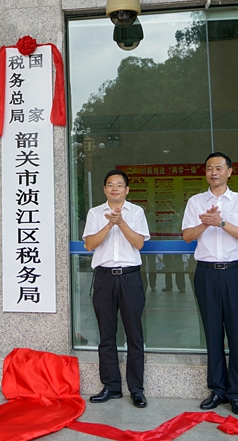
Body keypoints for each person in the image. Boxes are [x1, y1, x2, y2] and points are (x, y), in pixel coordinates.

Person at [181, 152, 238, 415]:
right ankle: (216, 390)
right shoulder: (196, 201)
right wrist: (205, 222)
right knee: (212, 333)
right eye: (209, 168)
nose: (214, 172)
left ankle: (236, 392)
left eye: (219, 168)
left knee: (236, 333)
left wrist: (221, 223)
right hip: (206, 273)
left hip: (234, 273)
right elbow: (188, 236)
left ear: (230, 172)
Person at [83, 169, 150, 409]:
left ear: (127, 190)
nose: (115, 188)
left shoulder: (137, 212)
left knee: (134, 335)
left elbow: (139, 243)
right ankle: (111, 386)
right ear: (104, 189)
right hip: (104, 278)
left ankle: (136, 389)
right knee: (106, 335)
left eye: (119, 185)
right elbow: (90, 244)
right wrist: (108, 225)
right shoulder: (94, 213)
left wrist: (120, 222)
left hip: (130, 278)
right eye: (110, 184)